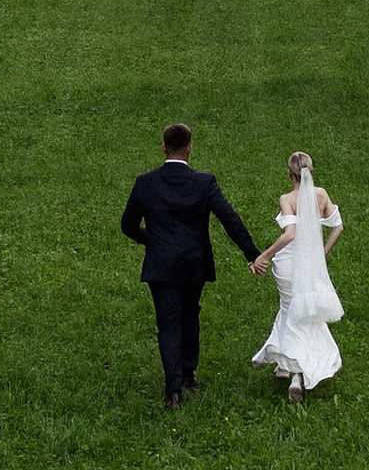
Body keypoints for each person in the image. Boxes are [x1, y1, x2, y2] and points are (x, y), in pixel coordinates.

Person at [119, 126, 259, 409]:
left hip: (161, 264)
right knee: (190, 313)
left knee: (168, 323)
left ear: (163, 148)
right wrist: (252, 253)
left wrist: (152, 240)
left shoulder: (145, 183)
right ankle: (188, 373)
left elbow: (128, 225)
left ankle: (173, 391)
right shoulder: (204, 182)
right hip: (194, 262)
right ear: (189, 148)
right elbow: (229, 219)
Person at [251, 149, 344, 401]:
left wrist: (264, 255)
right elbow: (338, 226)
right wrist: (322, 253)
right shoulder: (321, 195)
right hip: (311, 264)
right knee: (305, 314)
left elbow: (290, 234)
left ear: (288, 173)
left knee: (291, 310)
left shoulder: (287, 198)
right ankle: (290, 367)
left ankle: (293, 371)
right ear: (311, 171)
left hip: (288, 264)